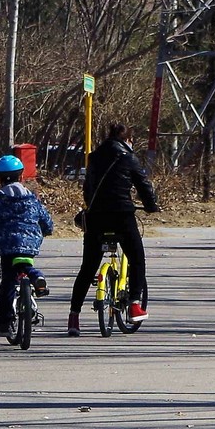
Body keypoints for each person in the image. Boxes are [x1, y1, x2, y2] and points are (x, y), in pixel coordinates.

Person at [67, 121, 159, 335]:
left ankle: (73, 317)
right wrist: (151, 206)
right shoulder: (129, 158)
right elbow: (144, 186)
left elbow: (88, 189)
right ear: (128, 140)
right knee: (137, 258)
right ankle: (135, 303)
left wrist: (92, 206)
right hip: (122, 216)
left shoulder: (94, 158)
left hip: (96, 217)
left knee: (88, 267)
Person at [0, 154, 54, 341]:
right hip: (31, 242)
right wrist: (47, 230)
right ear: (21, 176)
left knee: (8, 281)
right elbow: (44, 218)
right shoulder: (31, 197)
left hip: (7, 243)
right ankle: (36, 276)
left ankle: (4, 324)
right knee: (23, 263)